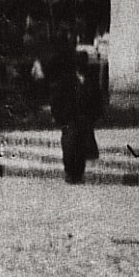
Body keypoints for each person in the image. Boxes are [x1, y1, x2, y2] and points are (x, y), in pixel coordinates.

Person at [49, 53, 100, 184]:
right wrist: (60, 117)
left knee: (81, 148)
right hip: (70, 119)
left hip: (84, 120)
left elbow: (97, 100)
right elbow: (56, 100)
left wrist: (93, 117)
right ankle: (70, 173)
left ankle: (79, 173)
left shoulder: (90, 81)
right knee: (69, 147)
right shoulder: (66, 81)